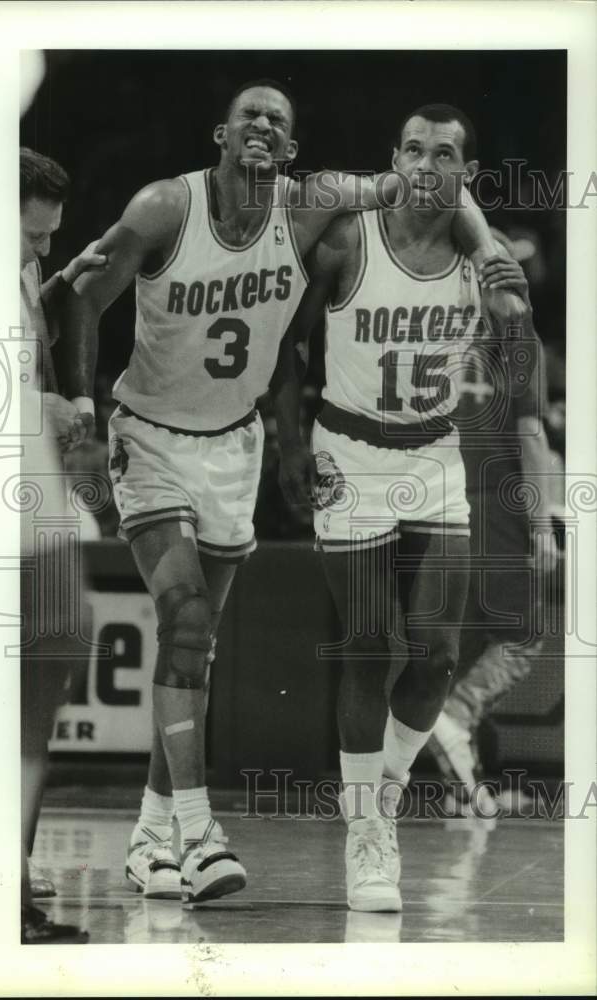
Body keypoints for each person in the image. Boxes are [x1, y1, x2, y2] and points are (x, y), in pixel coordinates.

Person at [59, 82, 523, 904]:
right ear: (221, 134)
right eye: (250, 117)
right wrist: (85, 404)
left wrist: (490, 248)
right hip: (205, 441)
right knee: (204, 625)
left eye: (280, 120)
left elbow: (431, 200)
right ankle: (228, 830)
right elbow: (96, 296)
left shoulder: (311, 207)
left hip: (288, 446)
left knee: (416, 651)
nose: (265, 127)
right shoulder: (191, 210)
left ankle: (167, 830)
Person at [273, 103, 531, 912]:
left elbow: (520, 360)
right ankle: (367, 833)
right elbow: (288, 343)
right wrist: (287, 444)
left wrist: (508, 300)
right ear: (393, 157)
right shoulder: (350, 238)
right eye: (413, 148)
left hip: (432, 453)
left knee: (437, 655)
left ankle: (382, 782)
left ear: (465, 175)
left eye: (444, 153)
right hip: (348, 452)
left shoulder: (476, 255)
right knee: (369, 645)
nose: (426, 162)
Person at [427, 228, 559, 813]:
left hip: (434, 497)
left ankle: (464, 781)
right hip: (497, 497)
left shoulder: (427, 333)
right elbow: (530, 434)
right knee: (523, 636)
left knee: (464, 636)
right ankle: (454, 717)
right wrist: (541, 523)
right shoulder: (517, 333)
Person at [19, 147, 105, 941]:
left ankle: (6, 880)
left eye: (52, 238)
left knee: (38, 690)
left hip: (20, 504)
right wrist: (42, 407)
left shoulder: (16, 274)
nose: (40, 248)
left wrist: (55, 277)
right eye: (34, 236)